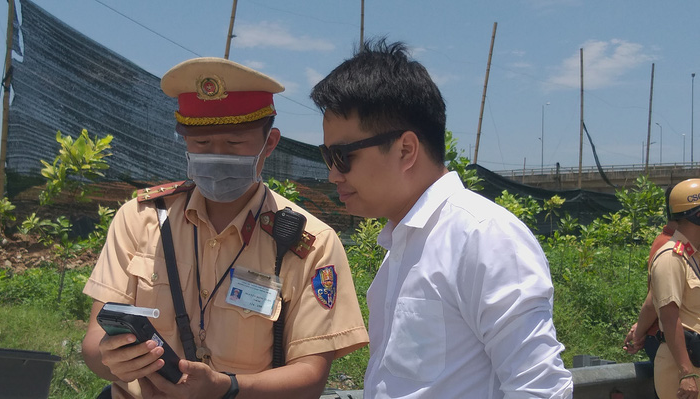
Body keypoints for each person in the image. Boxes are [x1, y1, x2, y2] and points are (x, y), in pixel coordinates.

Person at [81, 57, 369, 399]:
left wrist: (226, 387)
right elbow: (94, 344)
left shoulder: (309, 243)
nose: (216, 155)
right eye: (201, 144)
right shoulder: (141, 219)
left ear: (270, 143)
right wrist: (113, 359)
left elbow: (310, 376)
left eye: (234, 145)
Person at [310, 38, 573, 398]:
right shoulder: (401, 245)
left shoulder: (483, 236)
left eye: (341, 156)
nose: (333, 174)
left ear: (405, 150)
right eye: (327, 156)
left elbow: (540, 388)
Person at [649, 178, 700, 399]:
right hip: (683, 367)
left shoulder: (694, 256)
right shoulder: (671, 257)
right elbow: (670, 318)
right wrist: (685, 373)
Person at [624, 184, 678, 362]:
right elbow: (654, 299)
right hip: (667, 340)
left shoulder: (678, 243)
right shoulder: (670, 247)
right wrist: (639, 332)